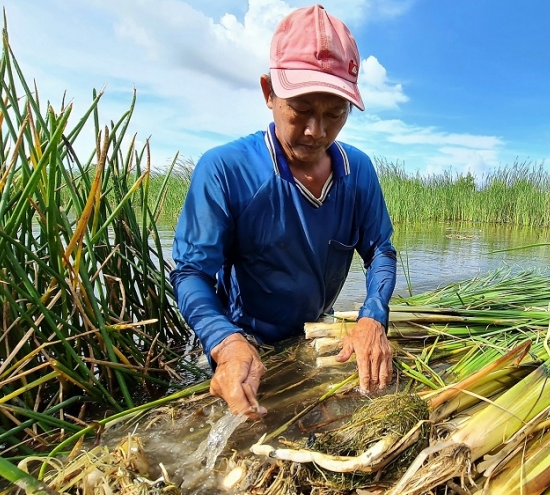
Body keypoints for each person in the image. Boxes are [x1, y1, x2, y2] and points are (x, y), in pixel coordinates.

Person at [170, 5, 397, 421]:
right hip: (246, 339)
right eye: (301, 109)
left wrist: (373, 317)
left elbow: (380, 249)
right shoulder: (226, 170)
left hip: (315, 334)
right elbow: (191, 274)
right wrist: (225, 342)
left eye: (334, 114)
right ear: (268, 92)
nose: (316, 131)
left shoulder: (358, 171)